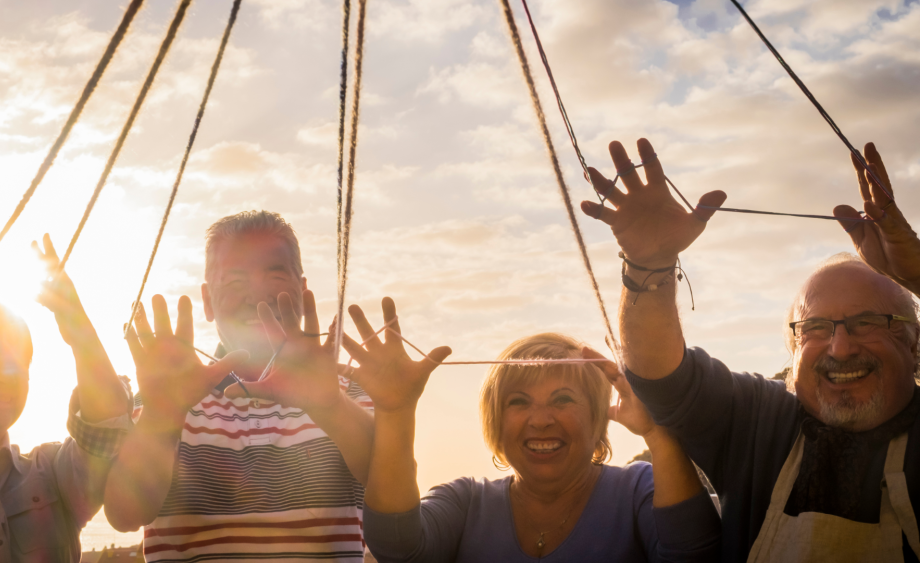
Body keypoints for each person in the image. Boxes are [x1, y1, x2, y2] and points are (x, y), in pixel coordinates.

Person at [579, 138, 920, 561]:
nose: (841, 347)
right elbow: (661, 379)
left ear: (913, 343)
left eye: (866, 323)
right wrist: (649, 264)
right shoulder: (759, 419)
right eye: (814, 328)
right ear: (793, 350)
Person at [345, 298, 721, 562]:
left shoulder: (639, 490)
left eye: (562, 400)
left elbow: (693, 554)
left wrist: (656, 433)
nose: (540, 419)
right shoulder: (464, 502)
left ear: (598, 416)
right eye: (518, 402)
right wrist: (395, 411)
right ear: (495, 420)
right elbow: (399, 550)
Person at [104, 211, 375, 562]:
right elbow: (126, 515)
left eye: (274, 273)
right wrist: (162, 417)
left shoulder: (347, 394)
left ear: (303, 288)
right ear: (207, 300)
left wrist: (328, 405)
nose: (256, 296)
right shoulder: (164, 397)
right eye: (234, 282)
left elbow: (390, 483)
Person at [0, 192, 133, 562]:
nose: (7, 372)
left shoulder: (53, 475)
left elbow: (108, 424)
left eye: (20, 361)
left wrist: (75, 322)